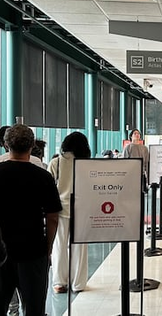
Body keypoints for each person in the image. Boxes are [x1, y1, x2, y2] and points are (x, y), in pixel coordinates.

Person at [0, 124, 62, 315]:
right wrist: (48, 248)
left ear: (6, 145)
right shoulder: (43, 177)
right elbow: (53, 217)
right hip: (33, 251)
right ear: (32, 145)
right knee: (34, 308)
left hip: (1, 251)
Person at [47, 131, 91, 294]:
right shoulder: (86, 163)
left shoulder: (56, 162)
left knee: (59, 246)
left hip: (60, 209)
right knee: (80, 247)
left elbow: (50, 186)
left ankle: (60, 282)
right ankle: (78, 283)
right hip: (82, 209)